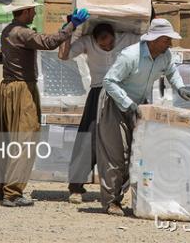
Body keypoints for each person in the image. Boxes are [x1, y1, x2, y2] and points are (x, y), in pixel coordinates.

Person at [0, 0, 89, 208]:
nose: (35, 13)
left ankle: (2, 186)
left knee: (6, 139)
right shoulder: (22, 33)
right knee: (24, 139)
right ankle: (13, 192)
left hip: (7, 88)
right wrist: (71, 25)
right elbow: (49, 42)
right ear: (25, 11)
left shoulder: (8, 30)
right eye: (32, 10)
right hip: (22, 89)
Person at [98, 18, 190, 216]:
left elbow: (171, 71)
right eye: (166, 40)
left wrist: (181, 88)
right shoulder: (130, 56)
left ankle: (122, 197)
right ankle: (111, 202)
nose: (170, 44)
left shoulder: (165, 55)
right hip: (115, 103)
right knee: (116, 155)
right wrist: (128, 104)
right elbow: (109, 81)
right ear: (154, 40)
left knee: (137, 152)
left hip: (137, 105)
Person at [58, 23, 139, 204]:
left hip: (123, 94)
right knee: (88, 139)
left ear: (114, 35)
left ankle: (119, 190)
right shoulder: (87, 42)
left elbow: (148, 39)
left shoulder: (128, 38)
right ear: (95, 40)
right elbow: (63, 55)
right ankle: (76, 187)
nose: (107, 47)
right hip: (98, 93)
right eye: (103, 46)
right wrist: (68, 29)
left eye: (110, 44)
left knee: (123, 141)